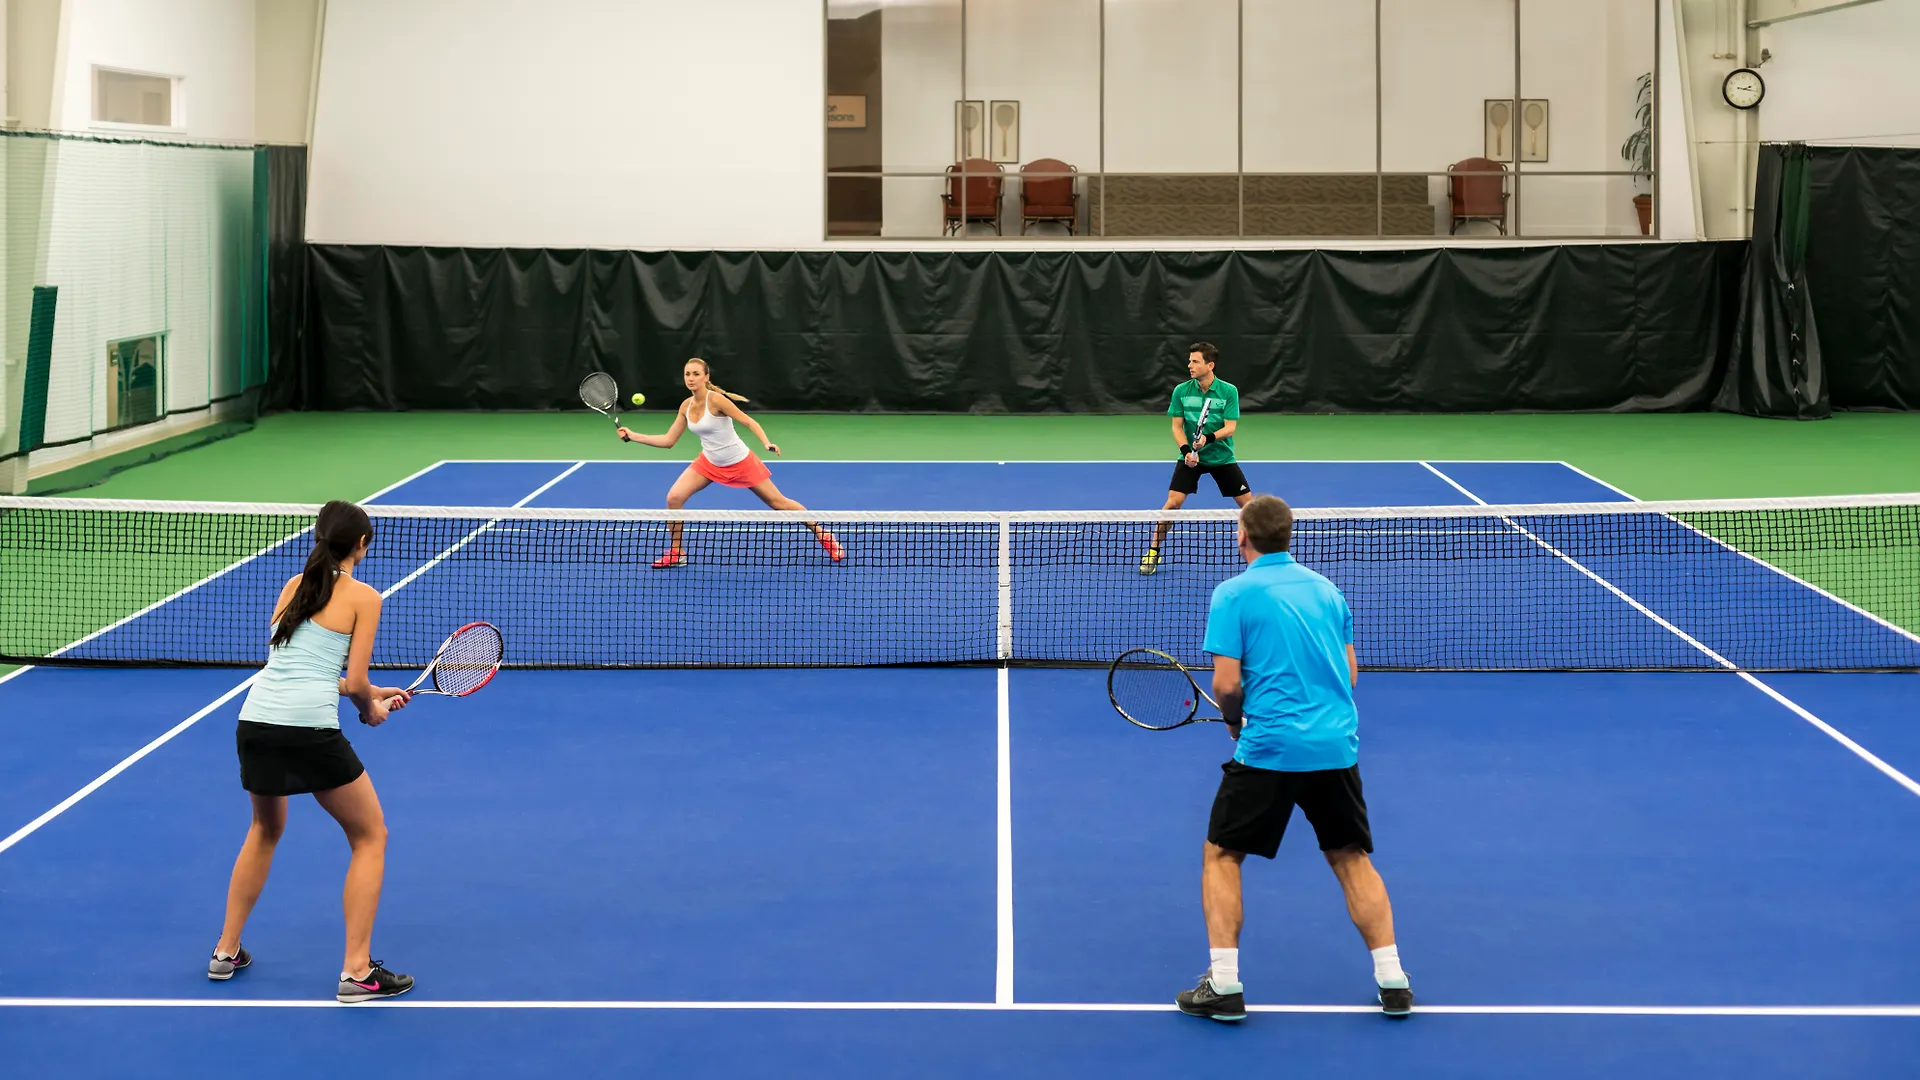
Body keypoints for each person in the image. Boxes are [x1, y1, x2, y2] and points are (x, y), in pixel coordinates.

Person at [1175, 494, 1412, 1023]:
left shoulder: (1233, 594)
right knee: (1351, 857)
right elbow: (1349, 675)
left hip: (1269, 749)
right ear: (1287, 536)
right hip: (1334, 747)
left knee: (1222, 856)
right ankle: (1394, 979)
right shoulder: (1328, 591)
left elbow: (1227, 684)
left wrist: (1234, 720)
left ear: (1243, 536)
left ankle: (1224, 984)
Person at [211, 499, 417, 1003]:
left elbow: (303, 669)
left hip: (255, 722)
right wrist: (371, 708)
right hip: (308, 730)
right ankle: (357, 972)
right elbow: (356, 681)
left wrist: (373, 693)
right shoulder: (365, 598)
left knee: (264, 829)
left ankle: (225, 951)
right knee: (370, 836)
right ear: (361, 545)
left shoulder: (293, 587)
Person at [617, 357, 844, 568]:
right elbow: (668, 441)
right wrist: (633, 436)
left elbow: (749, 422)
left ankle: (823, 534)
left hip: (740, 461)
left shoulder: (717, 400)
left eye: (696, 374)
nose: (691, 378)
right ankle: (677, 552)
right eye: (687, 374)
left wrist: (766, 442)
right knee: (674, 498)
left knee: (779, 503)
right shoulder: (685, 406)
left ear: (706, 377)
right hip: (709, 462)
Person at [1139, 342, 1253, 576]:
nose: (1189, 365)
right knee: (1172, 504)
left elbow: (1230, 427)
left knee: (1250, 507)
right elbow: (1176, 426)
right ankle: (1153, 550)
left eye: (1195, 361)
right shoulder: (1181, 391)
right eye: (1189, 361)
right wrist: (1186, 452)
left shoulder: (1228, 391)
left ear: (1210, 365)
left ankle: (1266, 555)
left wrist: (1207, 439)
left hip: (1222, 457)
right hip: (1191, 458)